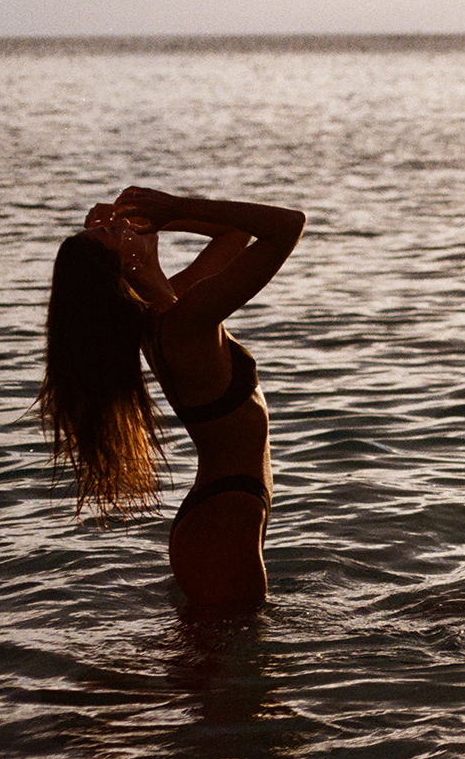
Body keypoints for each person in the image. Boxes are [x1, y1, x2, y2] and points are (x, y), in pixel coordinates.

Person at [38, 187, 306, 609]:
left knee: (215, 663)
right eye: (111, 231)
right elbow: (287, 226)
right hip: (221, 521)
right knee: (227, 666)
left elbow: (233, 234)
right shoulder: (184, 323)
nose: (119, 224)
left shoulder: (164, 310)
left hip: (224, 513)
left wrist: (157, 217)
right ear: (125, 263)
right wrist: (176, 208)